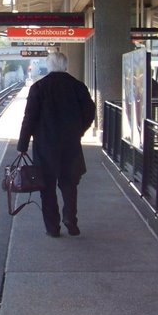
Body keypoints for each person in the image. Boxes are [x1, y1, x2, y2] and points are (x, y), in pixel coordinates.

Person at [17, 51, 96, 237]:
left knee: (47, 187)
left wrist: (22, 145)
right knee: (69, 184)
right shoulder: (78, 87)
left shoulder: (39, 88)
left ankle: (52, 228)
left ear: (49, 66)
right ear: (65, 65)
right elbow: (90, 112)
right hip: (70, 145)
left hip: (45, 147)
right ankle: (70, 219)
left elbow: (29, 118)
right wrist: (79, 130)